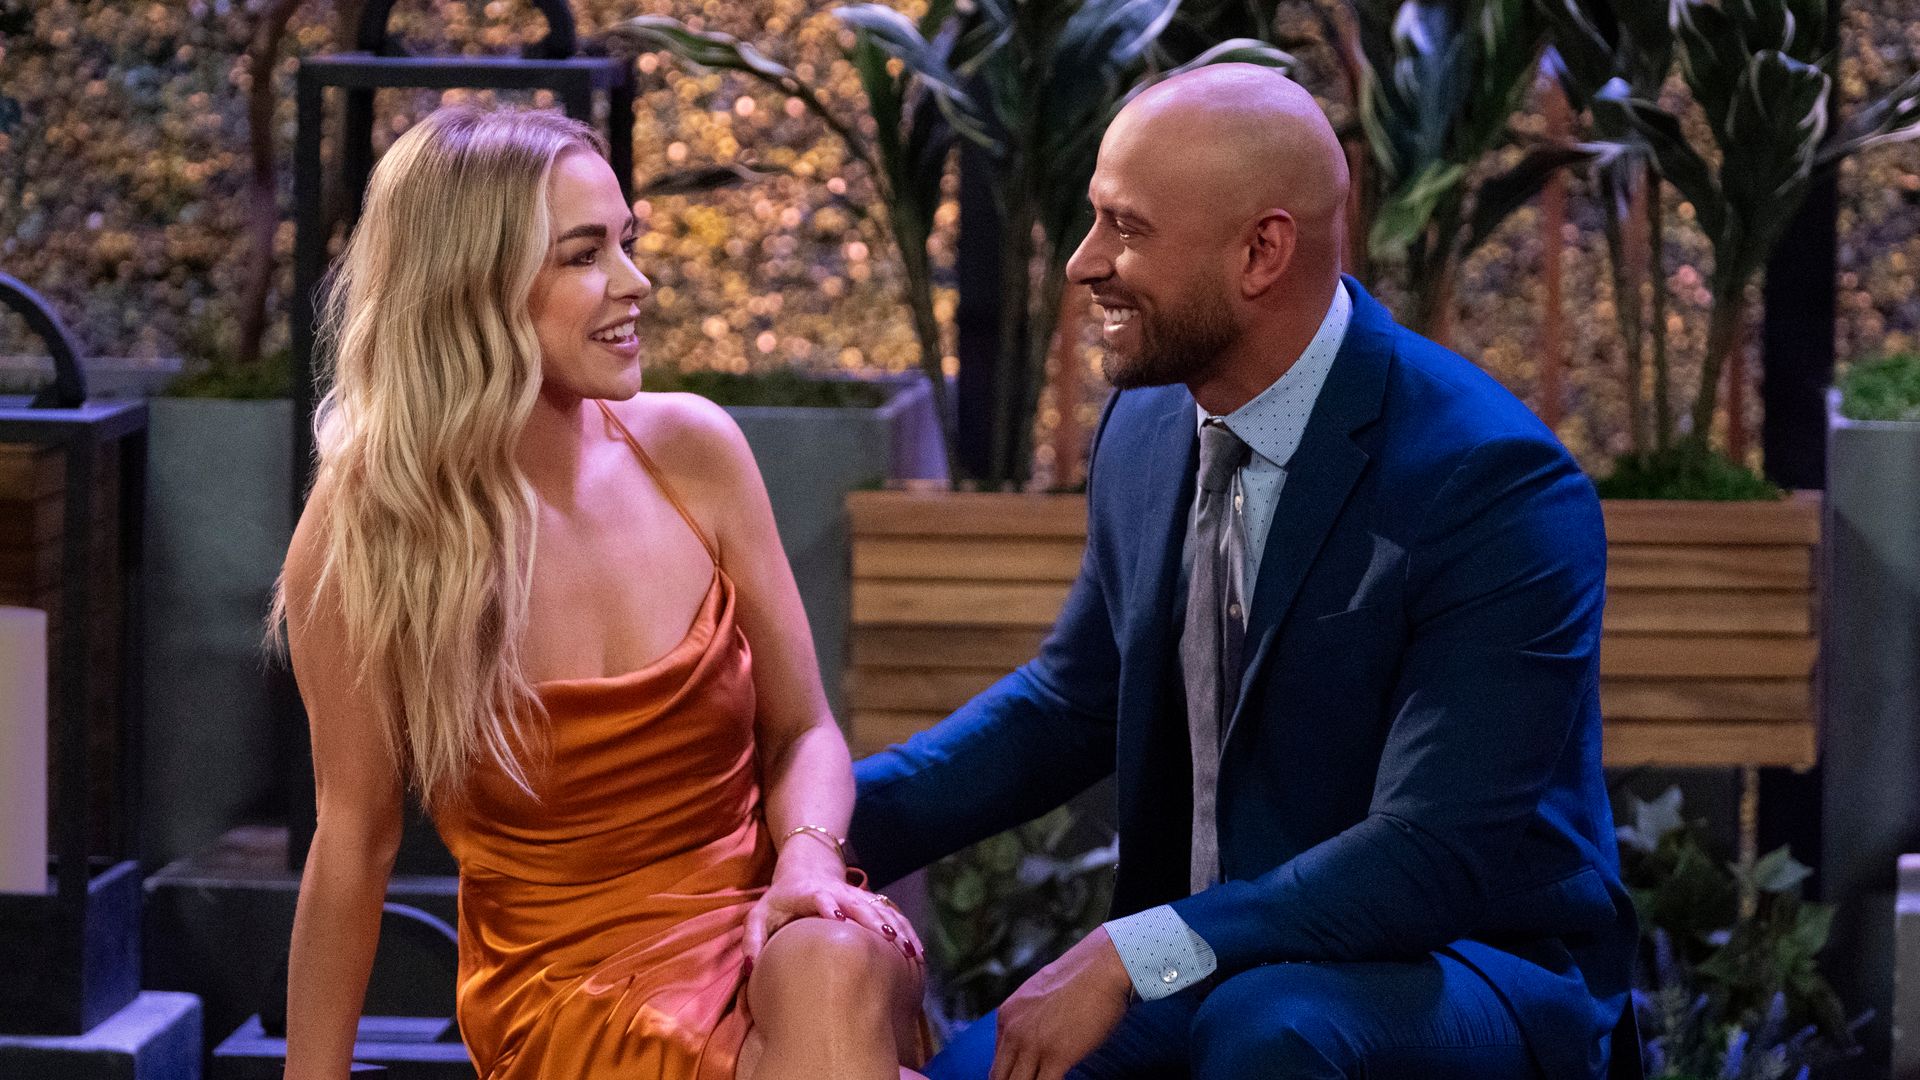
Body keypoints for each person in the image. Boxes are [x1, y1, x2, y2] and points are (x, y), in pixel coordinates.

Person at [850, 65, 1638, 1080]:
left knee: (1273, 1030)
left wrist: (1136, 951)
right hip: (1219, 962)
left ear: (1262, 251)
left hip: (1469, 963)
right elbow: (1069, 705)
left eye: (1125, 229)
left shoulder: (1492, 485)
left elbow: (1428, 858)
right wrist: (810, 826)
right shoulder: (1147, 424)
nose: (1084, 265)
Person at [275, 106, 927, 1080]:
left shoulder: (695, 450)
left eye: (627, 244)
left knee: (833, 956)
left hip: (774, 926)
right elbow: (354, 842)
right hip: (569, 988)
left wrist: (806, 860)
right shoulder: (366, 529)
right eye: (586, 255)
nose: (637, 283)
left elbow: (805, 734)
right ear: (474, 289)